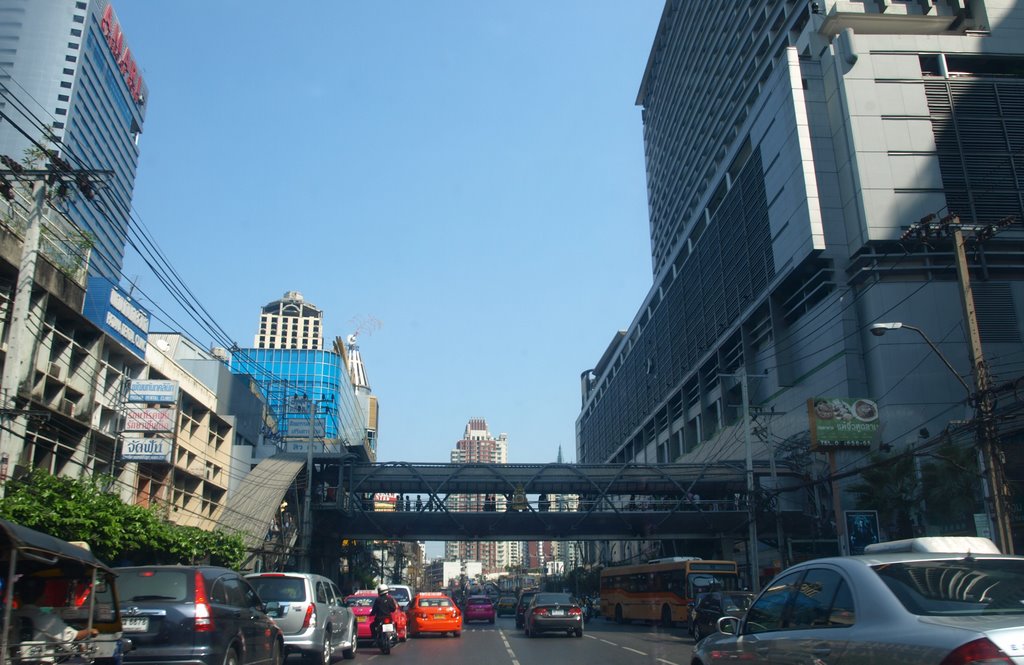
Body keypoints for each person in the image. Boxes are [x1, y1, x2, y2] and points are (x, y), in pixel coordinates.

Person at [14, 575, 98, 644]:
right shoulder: (49, 620)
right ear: (42, 596)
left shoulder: (12, 616)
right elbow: (76, 636)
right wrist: (91, 631)